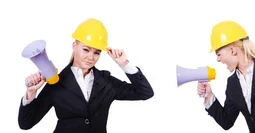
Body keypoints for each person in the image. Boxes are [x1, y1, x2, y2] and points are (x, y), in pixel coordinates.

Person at [18, 18, 154, 133]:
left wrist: (124, 64)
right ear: (74, 46)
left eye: (97, 52)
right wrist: (31, 93)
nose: (91, 57)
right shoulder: (56, 83)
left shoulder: (107, 82)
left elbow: (145, 93)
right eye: (86, 49)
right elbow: (26, 123)